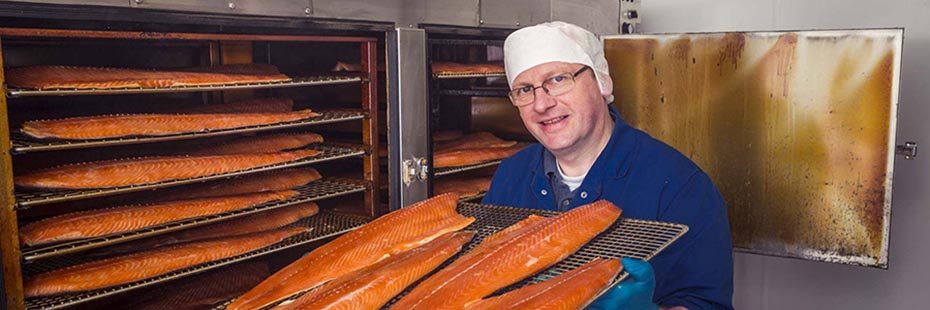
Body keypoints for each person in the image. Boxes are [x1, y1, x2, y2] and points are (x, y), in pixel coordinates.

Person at [481, 21, 734, 309]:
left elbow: (705, 302)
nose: (541, 104)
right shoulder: (510, 175)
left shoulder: (680, 185)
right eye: (525, 89)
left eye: (558, 80)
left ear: (602, 81)